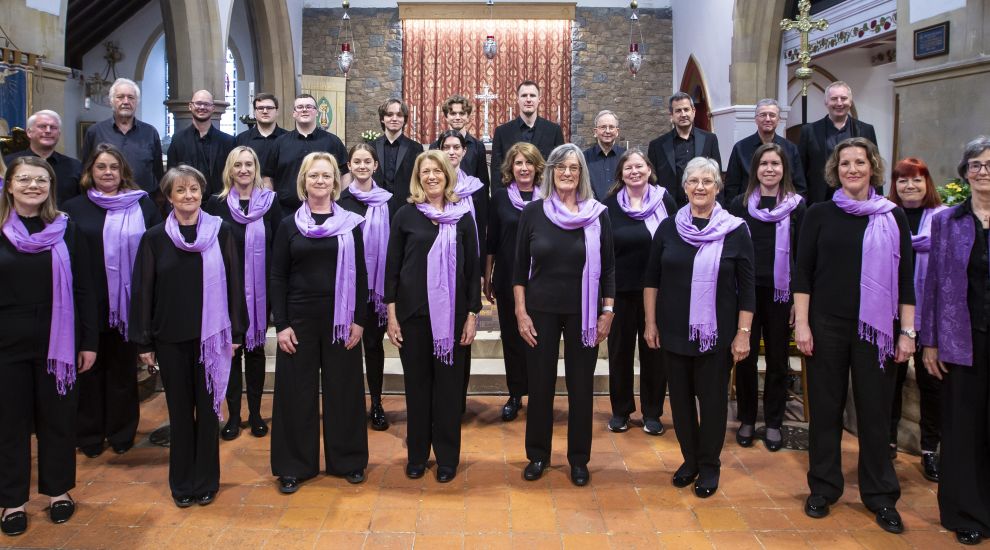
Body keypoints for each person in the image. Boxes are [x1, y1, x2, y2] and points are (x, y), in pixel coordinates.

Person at [793, 137, 914, 534]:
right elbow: (803, 273)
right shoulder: (819, 214)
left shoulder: (892, 216)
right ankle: (824, 488)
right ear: (835, 170)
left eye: (859, 162)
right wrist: (803, 324)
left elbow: (906, 280)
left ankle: (880, 496)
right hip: (826, 325)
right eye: (845, 164)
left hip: (877, 330)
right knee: (825, 411)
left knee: (875, 415)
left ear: (872, 167)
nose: (852, 170)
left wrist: (907, 332)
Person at [130, 165, 247, 508]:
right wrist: (145, 342)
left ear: (202, 193)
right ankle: (182, 482)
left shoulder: (221, 231)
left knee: (209, 412)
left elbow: (235, 282)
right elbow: (143, 290)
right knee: (180, 413)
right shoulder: (154, 237)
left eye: (194, 189)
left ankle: (206, 479)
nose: (189, 196)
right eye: (180, 190)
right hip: (171, 337)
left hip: (212, 338)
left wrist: (237, 329)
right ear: (168, 197)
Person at [643, 157, 754, 498]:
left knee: (713, 400)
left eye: (708, 181)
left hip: (716, 334)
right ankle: (689, 460)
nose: (700, 187)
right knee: (679, 400)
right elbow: (652, 279)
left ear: (718, 187)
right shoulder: (669, 226)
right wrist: (650, 322)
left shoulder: (735, 229)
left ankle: (709, 465)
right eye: (694, 181)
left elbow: (747, 288)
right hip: (673, 329)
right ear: (685, 187)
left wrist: (743, 332)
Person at [0, 157, 97, 537]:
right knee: (10, 424)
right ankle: (12, 500)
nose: (33, 186)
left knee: (58, 420)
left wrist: (88, 341)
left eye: (41, 180)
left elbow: (86, 288)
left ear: (51, 186)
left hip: (59, 340)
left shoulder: (66, 229)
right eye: (24, 179)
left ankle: (58, 491)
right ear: (9, 185)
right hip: (7, 342)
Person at [514, 143, 615, 487]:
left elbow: (610, 268)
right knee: (540, 386)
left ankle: (578, 459)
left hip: (583, 314)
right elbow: (517, 268)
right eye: (560, 168)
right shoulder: (534, 212)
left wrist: (608, 310)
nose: (567, 173)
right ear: (551, 173)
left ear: (582, 172)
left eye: (573, 167)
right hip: (540, 310)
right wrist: (520, 311)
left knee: (581, 387)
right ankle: (538, 454)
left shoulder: (597, 212)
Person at [270, 152, 369, 493]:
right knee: (296, 393)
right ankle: (295, 465)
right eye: (314, 175)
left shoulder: (351, 221)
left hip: (341, 319)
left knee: (345, 389)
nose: (320, 181)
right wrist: (281, 324)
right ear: (304, 180)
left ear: (335, 182)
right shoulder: (288, 225)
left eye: (326, 175)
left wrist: (359, 320)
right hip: (299, 319)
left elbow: (362, 276)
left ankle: (349, 460)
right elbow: (277, 276)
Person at [385, 150, 480, 483]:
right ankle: (417, 455)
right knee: (418, 388)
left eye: (437, 171)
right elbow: (392, 268)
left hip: (453, 319)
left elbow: (472, 272)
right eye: (425, 172)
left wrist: (472, 315)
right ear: (418, 177)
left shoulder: (463, 216)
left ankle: (447, 458)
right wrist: (391, 314)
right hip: (412, 315)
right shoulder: (405, 216)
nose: (431, 177)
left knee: (449, 391)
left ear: (447, 175)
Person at [62, 144, 161, 458]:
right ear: (90, 171)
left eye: (113, 167)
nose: (107, 173)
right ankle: (89, 433)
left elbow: (156, 248)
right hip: (88, 300)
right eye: (101, 167)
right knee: (88, 370)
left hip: (128, 303)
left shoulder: (142, 205)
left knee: (122, 371)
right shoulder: (73, 208)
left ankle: (121, 431)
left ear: (123, 172)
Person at [920, 136, 990, 546]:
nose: (983, 172)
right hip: (959, 337)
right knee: (962, 427)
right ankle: (966, 512)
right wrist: (929, 341)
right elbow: (933, 284)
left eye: (989, 165)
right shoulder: (947, 221)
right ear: (965, 173)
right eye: (976, 165)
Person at [728, 143, 805, 451]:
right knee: (743, 356)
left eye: (775, 163)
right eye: (764, 164)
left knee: (777, 358)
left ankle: (773, 421)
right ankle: (747, 418)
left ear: (784, 169)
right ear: (755, 169)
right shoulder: (739, 204)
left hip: (781, 295)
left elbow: (802, 257)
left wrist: (798, 304)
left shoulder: (798, 206)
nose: (770, 169)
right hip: (746, 294)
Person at [204, 146, 283, 441]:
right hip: (226, 289)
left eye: (249, 164)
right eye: (238, 165)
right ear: (230, 169)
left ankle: (256, 414)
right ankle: (234, 416)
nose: (244, 170)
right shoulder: (216, 204)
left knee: (256, 351)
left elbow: (278, 248)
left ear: (256, 168)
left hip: (261, 290)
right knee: (231, 351)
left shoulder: (270, 203)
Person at [603, 149, 676, 435]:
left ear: (649, 170)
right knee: (619, 352)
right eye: (628, 168)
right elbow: (603, 252)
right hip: (620, 292)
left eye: (640, 166)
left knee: (654, 352)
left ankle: (652, 412)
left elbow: (674, 239)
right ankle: (620, 411)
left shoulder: (665, 201)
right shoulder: (609, 206)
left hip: (657, 292)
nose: (634, 171)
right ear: (621, 174)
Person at [885, 157, 945, 480]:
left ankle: (929, 449)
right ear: (894, 185)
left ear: (927, 183)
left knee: (930, 383)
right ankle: (889, 441)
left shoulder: (944, 219)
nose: (910, 186)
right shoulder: (886, 217)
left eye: (917, 180)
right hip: (891, 312)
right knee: (890, 382)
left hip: (931, 314)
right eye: (903, 180)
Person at [484, 142, 544, 422]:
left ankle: (540, 393)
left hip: (542, 278)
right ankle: (516, 393)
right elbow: (492, 240)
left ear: (537, 167)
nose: (523, 168)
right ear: (511, 167)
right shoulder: (499, 197)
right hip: (508, 276)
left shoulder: (548, 197)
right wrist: (488, 275)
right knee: (512, 336)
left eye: (529, 163)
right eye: (518, 163)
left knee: (539, 338)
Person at [338, 143, 392, 431]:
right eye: (356, 161)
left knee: (373, 345)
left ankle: (377, 402)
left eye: (367, 161)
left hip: (377, 289)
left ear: (375, 166)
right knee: (347, 347)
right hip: (347, 286)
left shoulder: (388, 201)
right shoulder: (341, 201)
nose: (361, 165)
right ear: (349, 165)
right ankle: (349, 404)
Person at [438, 129, 488, 413]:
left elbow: (482, 226)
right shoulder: (430, 183)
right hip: (436, 267)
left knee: (462, 334)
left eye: (457, 147)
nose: (452, 152)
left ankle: (458, 399)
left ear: (465, 151)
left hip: (466, 263)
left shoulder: (477, 188)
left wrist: (481, 268)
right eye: (447, 147)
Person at [81, 78, 165, 198]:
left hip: (143, 202)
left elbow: (158, 173)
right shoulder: (95, 132)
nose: (126, 101)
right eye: (120, 97)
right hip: (105, 202)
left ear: (137, 102)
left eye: (131, 97)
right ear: (111, 101)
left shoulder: (150, 132)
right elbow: (86, 171)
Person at [265, 94, 348, 212]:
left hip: (325, 210)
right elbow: (268, 176)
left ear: (317, 112)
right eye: (299, 107)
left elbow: (345, 174)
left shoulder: (333, 142)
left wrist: (340, 200)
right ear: (294, 113)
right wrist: (272, 204)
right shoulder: (280, 143)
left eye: (309, 106)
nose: (304, 110)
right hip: (285, 211)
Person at [798, 81, 878, 204]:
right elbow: (801, 170)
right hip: (820, 199)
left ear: (850, 102)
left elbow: (875, 166)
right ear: (826, 102)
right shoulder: (809, 131)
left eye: (844, 98)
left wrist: (877, 199)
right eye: (834, 99)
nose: (839, 103)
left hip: (858, 198)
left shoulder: (866, 130)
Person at [648, 92, 721, 207]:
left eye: (686, 109)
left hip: (703, 205)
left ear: (693, 111)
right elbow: (652, 181)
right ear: (671, 115)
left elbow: (717, 176)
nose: (683, 114)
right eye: (678, 111)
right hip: (669, 208)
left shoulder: (710, 140)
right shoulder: (656, 146)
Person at [723, 99, 806, 201]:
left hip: (783, 210)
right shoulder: (740, 148)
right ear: (756, 119)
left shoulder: (791, 149)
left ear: (778, 119)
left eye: (772, 115)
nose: (767, 119)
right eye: (763, 115)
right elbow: (731, 188)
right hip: (746, 210)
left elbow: (799, 187)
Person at [490, 80, 565, 189]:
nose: (528, 99)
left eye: (532, 96)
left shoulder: (554, 131)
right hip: (510, 197)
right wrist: (498, 201)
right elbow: (496, 171)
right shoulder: (502, 132)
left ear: (539, 99)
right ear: (518, 99)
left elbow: (559, 166)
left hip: (544, 195)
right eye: (524, 95)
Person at [3, 110, 82, 207]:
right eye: (42, 126)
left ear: (59, 133)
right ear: (29, 132)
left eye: (53, 127)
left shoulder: (75, 167)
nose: (48, 131)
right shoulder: (7, 163)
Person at [166, 90, 236, 197]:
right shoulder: (178, 140)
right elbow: (171, 175)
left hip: (220, 202)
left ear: (213, 108)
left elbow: (232, 176)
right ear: (190, 106)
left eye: (207, 104)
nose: (202, 107)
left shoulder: (228, 141)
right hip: (188, 200)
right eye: (198, 103)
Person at [371, 99, 425, 217]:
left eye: (399, 115)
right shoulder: (371, 147)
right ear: (382, 119)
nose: (394, 118)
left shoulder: (416, 148)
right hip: (376, 208)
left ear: (404, 119)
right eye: (389, 114)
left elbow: (419, 180)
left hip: (406, 209)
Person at [431, 94, 490, 187]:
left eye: (462, 113)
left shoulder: (478, 146)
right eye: (453, 113)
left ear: (468, 117)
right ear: (446, 117)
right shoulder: (435, 146)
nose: (457, 117)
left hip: (471, 199)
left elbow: (483, 182)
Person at [235, 93, 288, 188]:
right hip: (249, 193)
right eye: (260, 108)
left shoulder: (288, 138)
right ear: (254, 112)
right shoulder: (241, 139)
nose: (265, 111)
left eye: (269, 108)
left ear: (277, 111)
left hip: (281, 196)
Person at [583, 110, 625, 200]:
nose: (607, 131)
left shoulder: (626, 157)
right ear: (595, 132)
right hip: (593, 210)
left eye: (611, 127)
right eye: (603, 127)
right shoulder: (584, 158)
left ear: (617, 131)